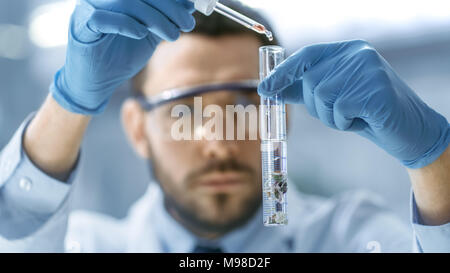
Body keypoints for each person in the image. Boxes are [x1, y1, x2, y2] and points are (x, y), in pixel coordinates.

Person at [0, 0, 449, 253]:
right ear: (137, 129)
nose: (218, 142)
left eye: (244, 105)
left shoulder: (349, 236)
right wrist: (69, 102)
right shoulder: (88, 246)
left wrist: (435, 160)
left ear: (282, 115)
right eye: (186, 110)